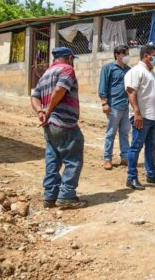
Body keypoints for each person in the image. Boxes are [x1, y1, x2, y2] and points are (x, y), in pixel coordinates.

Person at [30, 47, 87, 209]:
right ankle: (67, 196)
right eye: (72, 59)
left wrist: (40, 111)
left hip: (50, 125)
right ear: (69, 58)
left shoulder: (46, 74)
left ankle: (50, 195)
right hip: (64, 122)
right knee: (73, 160)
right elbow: (60, 89)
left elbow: (34, 96)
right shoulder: (67, 69)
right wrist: (48, 111)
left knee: (53, 159)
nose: (73, 62)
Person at [124, 44, 155, 190]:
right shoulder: (136, 71)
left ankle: (151, 174)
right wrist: (137, 113)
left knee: (151, 147)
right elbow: (131, 92)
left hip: (154, 117)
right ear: (145, 56)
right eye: (154, 55)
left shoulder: (154, 75)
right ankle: (131, 178)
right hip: (142, 117)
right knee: (136, 146)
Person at [98, 45, 131, 170]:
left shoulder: (129, 70)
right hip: (114, 106)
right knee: (111, 133)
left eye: (128, 54)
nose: (127, 56)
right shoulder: (108, 68)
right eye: (125, 54)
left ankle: (125, 157)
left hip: (126, 106)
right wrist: (104, 103)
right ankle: (107, 159)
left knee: (124, 133)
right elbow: (103, 86)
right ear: (117, 55)